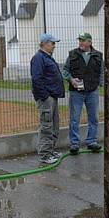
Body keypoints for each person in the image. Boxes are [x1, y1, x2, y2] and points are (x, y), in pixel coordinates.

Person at [61, 32, 103, 155]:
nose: (80, 42)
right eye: (79, 40)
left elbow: (101, 72)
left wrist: (100, 84)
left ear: (89, 42)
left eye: (83, 40)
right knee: (74, 118)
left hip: (92, 91)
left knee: (93, 118)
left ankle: (91, 141)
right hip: (76, 92)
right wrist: (71, 80)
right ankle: (74, 143)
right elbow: (65, 70)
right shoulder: (72, 54)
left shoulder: (98, 55)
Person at [30, 33, 65, 164]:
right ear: (44, 44)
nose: (54, 46)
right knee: (46, 126)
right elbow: (36, 79)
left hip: (52, 96)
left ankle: (50, 150)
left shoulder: (47, 58)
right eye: (52, 43)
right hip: (46, 98)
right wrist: (45, 96)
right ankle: (45, 154)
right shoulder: (38, 58)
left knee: (54, 125)